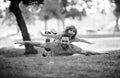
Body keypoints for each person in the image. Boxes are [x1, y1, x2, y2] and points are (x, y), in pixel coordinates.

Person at [15, 34, 103, 56]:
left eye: (66, 41)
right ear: (60, 41)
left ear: (69, 42)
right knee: (46, 50)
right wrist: (25, 42)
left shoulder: (74, 48)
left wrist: (100, 54)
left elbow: (87, 52)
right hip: (51, 58)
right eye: (63, 41)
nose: (64, 43)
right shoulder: (53, 45)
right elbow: (37, 43)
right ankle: (46, 53)